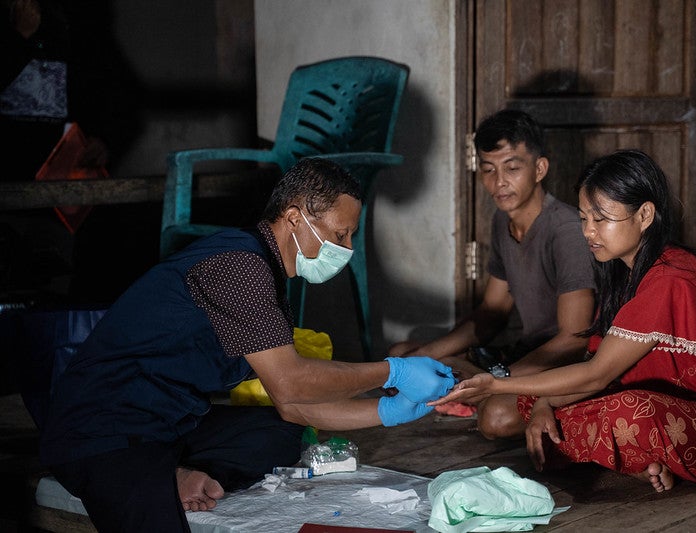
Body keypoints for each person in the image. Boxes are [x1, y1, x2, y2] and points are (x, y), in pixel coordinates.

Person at [38, 158, 456, 532]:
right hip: (105, 433)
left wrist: (387, 411)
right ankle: (164, 476)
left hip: (166, 425)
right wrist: (394, 371)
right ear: (295, 217)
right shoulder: (239, 267)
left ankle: (177, 471)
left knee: (278, 433)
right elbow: (293, 384)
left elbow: (290, 405)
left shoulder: (266, 275)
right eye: (341, 235)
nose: (346, 249)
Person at [431, 149, 696, 493]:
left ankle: (640, 460)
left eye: (601, 219)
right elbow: (595, 365)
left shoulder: (674, 276)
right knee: (500, 414)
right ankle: (642, 463)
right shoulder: (625, 273)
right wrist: (544, 403)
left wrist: (496, 383)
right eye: (583, 218)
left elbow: (598, 374)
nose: (589, 232)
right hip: (665, 402)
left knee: (629, 414)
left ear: (644, 215)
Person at [389, 109, 596, 439]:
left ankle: (484, 395)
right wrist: (427, 353)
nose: (499, 181)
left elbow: (574, 339)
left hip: (563, 366)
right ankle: (478, 391)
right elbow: (493, 312)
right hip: (522, 355)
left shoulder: (567, 231)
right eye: (488, 169)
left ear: (539, 169)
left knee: (496, 418)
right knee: (402, 355)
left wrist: (499, 379)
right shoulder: (503, 221)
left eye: (512, 168)